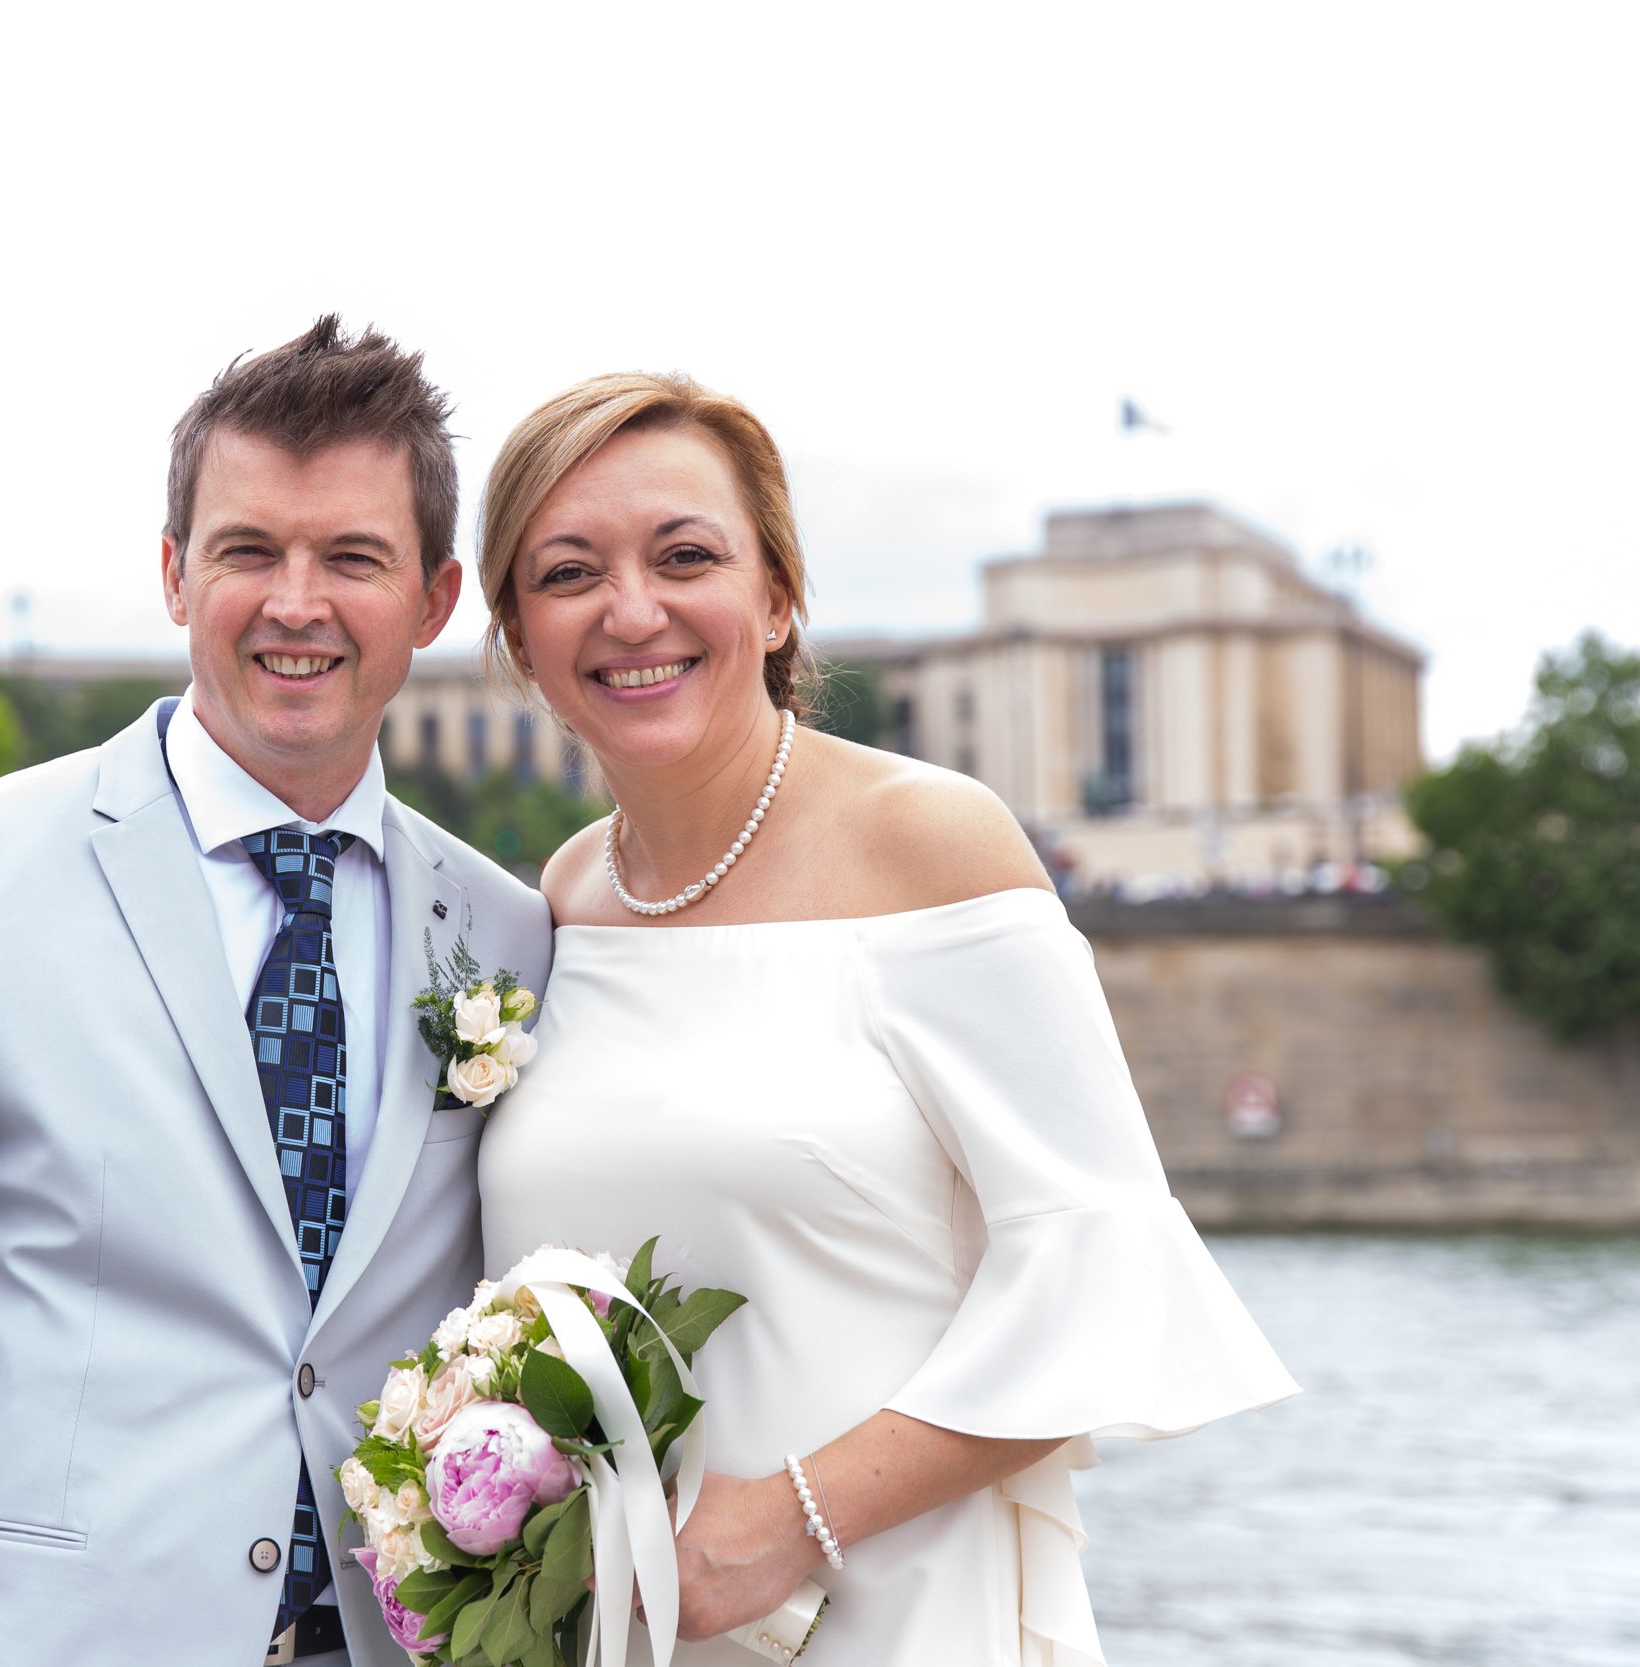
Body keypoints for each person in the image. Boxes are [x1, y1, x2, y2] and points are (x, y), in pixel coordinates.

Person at [0, 317, 553, 1667]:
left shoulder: (505, 933)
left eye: (352, 557)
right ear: (174, 575)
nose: (297, 602)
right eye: (247, 552)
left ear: (436, 600)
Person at [474, 373, 1298, 1665]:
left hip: (891, 1619)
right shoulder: (564, 900)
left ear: (778, 594)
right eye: (569, 572)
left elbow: (1108, 1265)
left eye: (685, 555)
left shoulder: (932, 843)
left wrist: (790, 1522)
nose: (633, 609)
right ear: (519, 635)